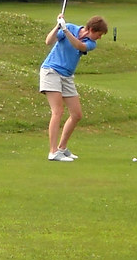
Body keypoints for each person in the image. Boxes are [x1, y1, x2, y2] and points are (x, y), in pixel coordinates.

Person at [39, 13, 108, 161]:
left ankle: (62, 148)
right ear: (91, 29)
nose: (100, 38)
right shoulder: (70, 27)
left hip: (67, 76)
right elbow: (48, 41)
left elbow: (79, 45)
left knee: (76, 114)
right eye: (99, 34)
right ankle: (53, 152)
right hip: (51, 71)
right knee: (57, 111)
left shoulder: (91, 43)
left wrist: (65, 30)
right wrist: (58, 26)